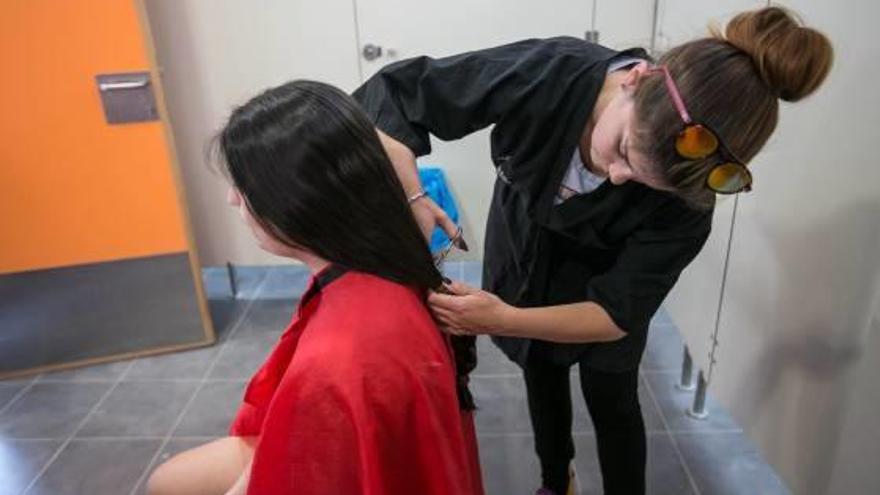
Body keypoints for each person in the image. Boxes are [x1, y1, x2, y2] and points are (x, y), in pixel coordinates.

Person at [353, 6, 833, 495]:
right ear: (634, 80)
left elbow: (613, 312)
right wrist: (413, 195)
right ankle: (555, 479)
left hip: (605, 282)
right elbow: (399, 94)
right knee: (538, 365)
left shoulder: (688, 203)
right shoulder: (550, 73)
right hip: (524, 246)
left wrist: (501, 318)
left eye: (646, 182)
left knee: (614, 395)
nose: (620, 178)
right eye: (624, 151)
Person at [146, 81, 484, 495]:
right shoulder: (385, 255)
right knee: (168, 480)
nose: (234, 200)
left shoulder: (337, 363)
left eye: (245, 186)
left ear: (298, 199)